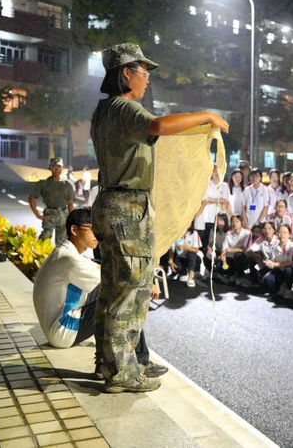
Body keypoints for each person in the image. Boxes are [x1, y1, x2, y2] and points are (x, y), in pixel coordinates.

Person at [90, 42, 229, 393]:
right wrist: (206, 116)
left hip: (108, 202)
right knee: (131, 293)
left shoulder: (103, 111)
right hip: (127, 209)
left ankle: (109, 364)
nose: (147, 79)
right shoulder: (124, 107)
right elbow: (158, 126)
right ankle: (122, 374)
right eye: (143, 71)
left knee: (111, 291)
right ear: (126, 73)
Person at [32, 208, 166, 378]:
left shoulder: (66, 253)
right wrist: (147, 283)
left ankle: (107, 361)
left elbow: (101, 269)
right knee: (124, 298)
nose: (97, 234)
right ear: (74, 230)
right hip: (63, 331)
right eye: (91, 229)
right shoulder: (69, 259)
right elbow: (115, 280)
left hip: (58, 325)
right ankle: (140, 361)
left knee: (112, 293)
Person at [28, 157, 75, 246]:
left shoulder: (67, 185)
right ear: (50, 168)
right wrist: (37, 214)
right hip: (49, 214)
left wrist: (71, 219)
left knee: (62, 243)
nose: (56, 169)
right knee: (45, 239)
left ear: (62, 168)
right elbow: (32, 198)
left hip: (63, 215)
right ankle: (41, 258)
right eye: (54, 166)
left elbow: (70, 203)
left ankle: (59, 259)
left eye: (59, 166)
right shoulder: (43, 183)